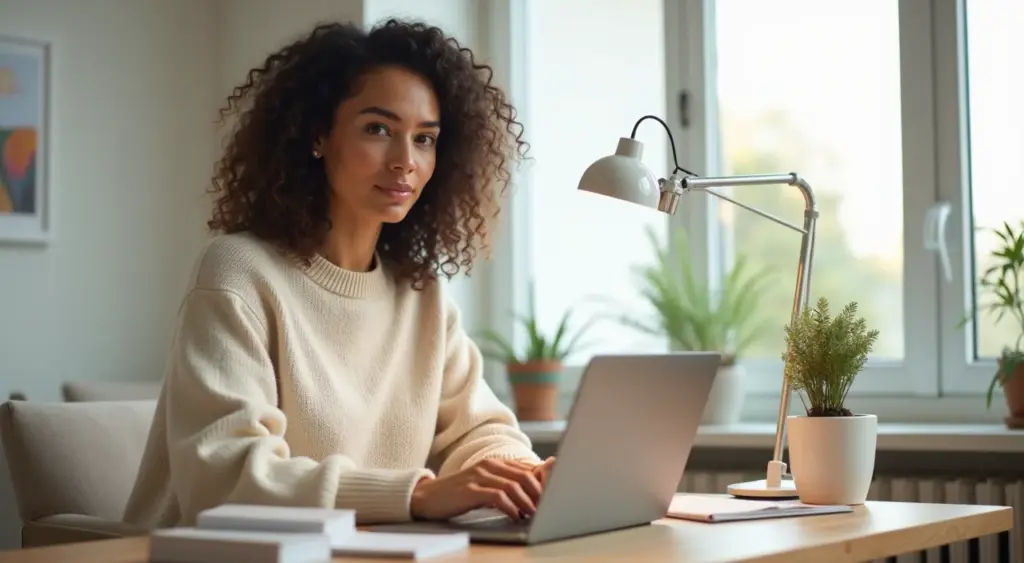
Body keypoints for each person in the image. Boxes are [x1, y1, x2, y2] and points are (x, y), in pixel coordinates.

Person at [121, 18, 555, 530]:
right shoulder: (239, 273)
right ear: (318, 135)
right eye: (378, 129)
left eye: (424, 139)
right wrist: (418, 494)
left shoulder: (422, 295)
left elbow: (477, 431)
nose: (405, 161)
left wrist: (521, 475)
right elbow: (224, 479)